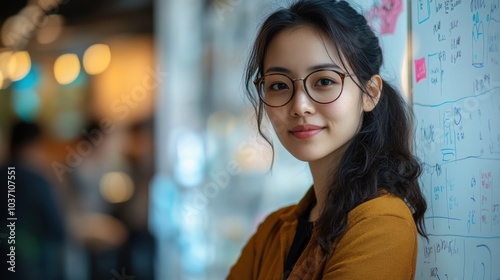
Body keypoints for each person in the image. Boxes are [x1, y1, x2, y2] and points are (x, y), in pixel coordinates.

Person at [227, 0, 427, 279]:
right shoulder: (272, 232)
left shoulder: (381, 224)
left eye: (323, 81)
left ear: (370, 93)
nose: (299, 106)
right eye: (279, 85)